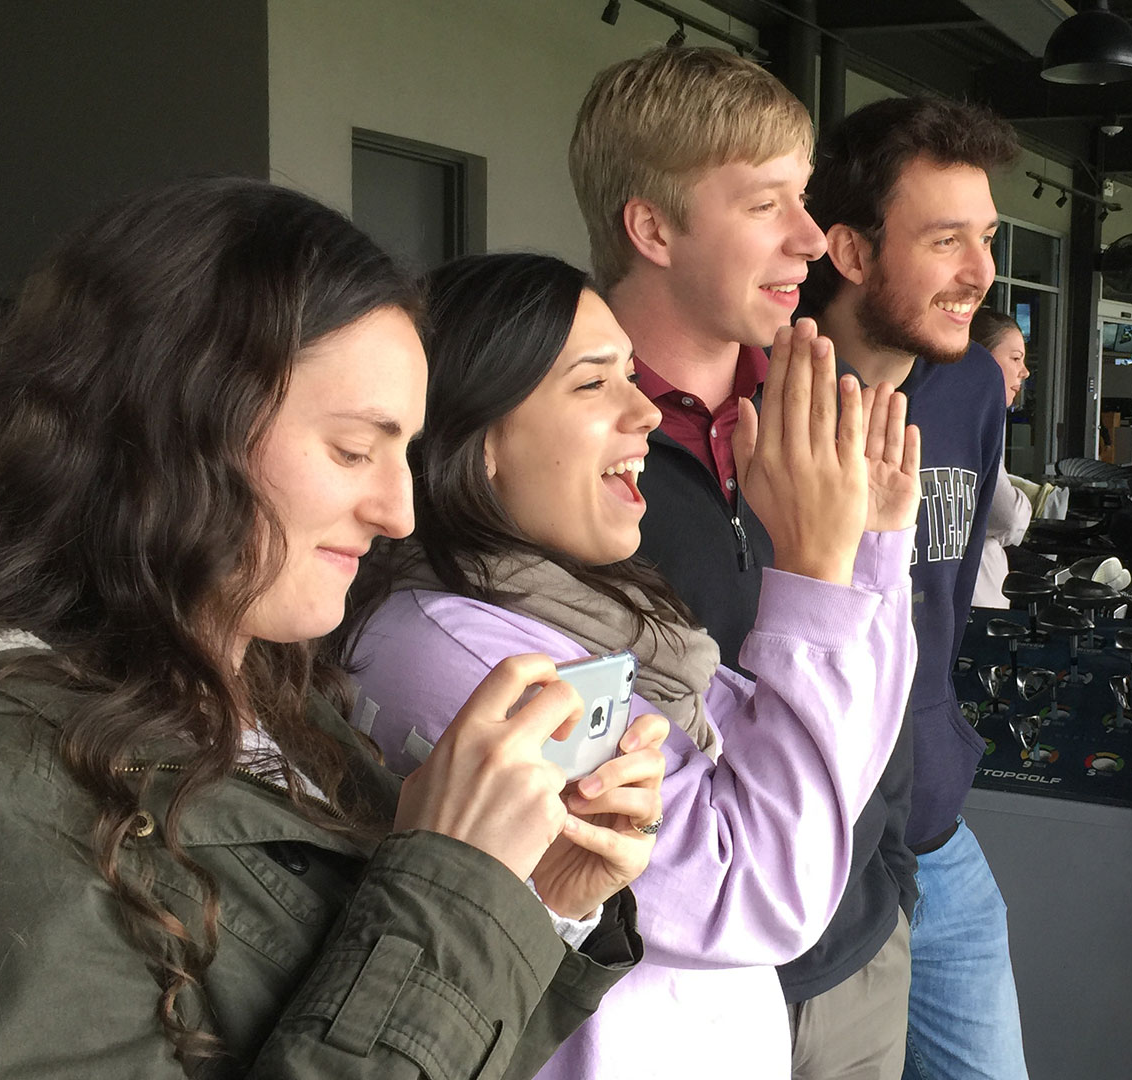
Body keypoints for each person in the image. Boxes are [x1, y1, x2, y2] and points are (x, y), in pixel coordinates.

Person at [0, 178, 663, 1078]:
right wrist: (459, 886)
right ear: (169, 430)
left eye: (406, 453)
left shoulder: (275, 704)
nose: (399, 511)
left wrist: (528, 897)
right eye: (355, 449)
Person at [338, 252, 922, 1080]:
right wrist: (815, 569)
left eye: (632, 377)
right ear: (479, 442)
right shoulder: (459, 658)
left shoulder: (581, 605)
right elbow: (760, 888)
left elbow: (832, 772)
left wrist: (869, 551)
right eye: (592, 384)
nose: (646, 411)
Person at [567, 46, 917, 1079]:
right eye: (769, 203)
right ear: (654, 227)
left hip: (853, 949)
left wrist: (885, 870)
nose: (813, 238)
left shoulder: (826, 411)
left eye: (803, 200)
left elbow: (891, 653)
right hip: (663, 994)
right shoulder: (550, 449)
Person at [800, 94, 1027, 1080]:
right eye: (946, 241)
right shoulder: (765, 388)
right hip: (814, 854)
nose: (980, 273)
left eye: (984, 238)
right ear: (850, 252)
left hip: (937, 832)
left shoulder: (973, 385)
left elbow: (947, 595)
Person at [970, 308, 1031, 609]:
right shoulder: (972, 421)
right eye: (1015, 358)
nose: (1025, 371)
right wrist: (1026, 503)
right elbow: (1007, 517)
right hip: (976, 606)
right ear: (982, 358)